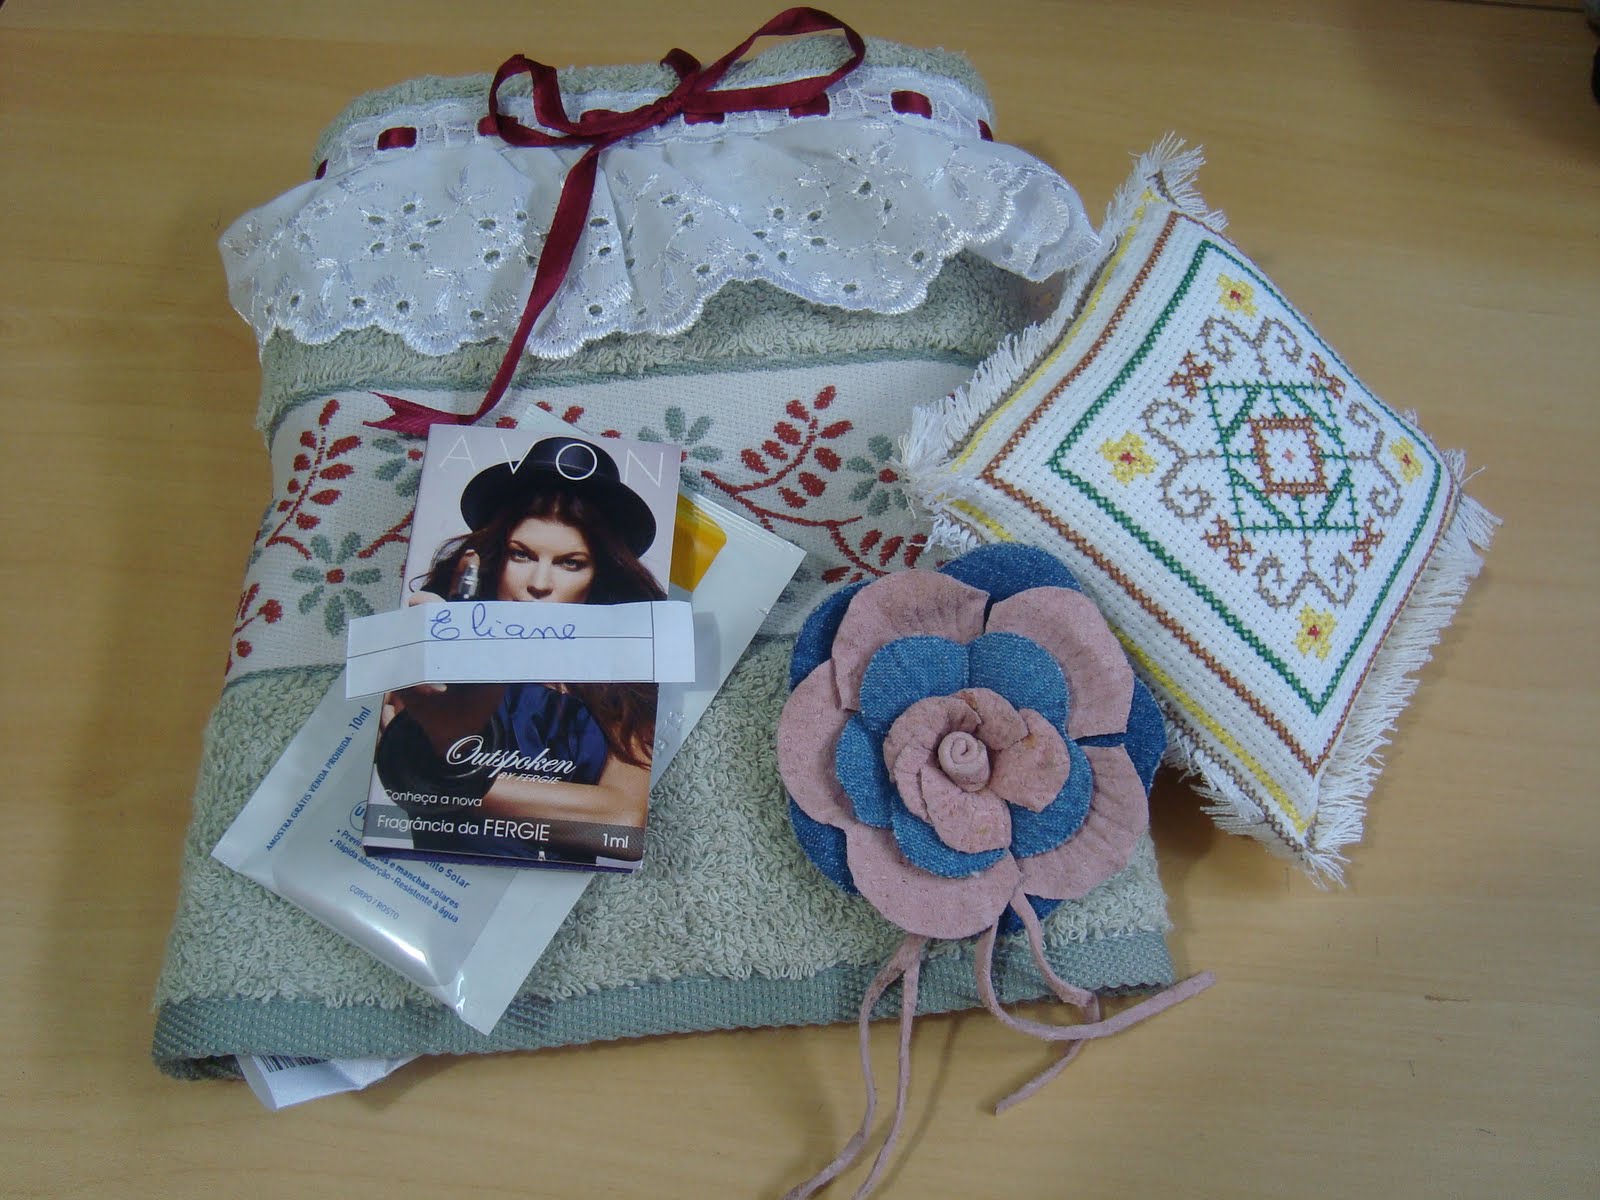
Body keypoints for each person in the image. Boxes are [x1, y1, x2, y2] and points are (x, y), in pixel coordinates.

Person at [373, 435, 666, 866]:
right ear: (492, 560)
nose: (539, 584)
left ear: (598, 577)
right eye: (521, 555)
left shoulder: (625, 683)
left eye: (570, 563)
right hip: (438, 877)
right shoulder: (439, 647)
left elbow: (623, 825)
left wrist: (446, 779)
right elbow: (411, 787)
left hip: (562, 895)